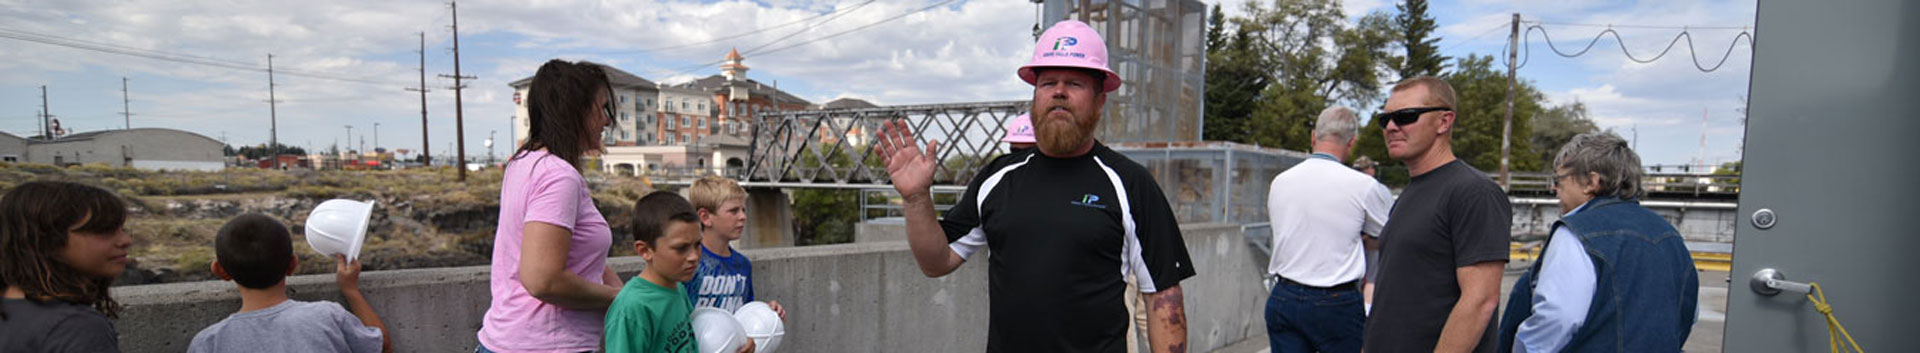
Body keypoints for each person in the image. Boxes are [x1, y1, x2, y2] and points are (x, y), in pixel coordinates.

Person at [878, 19, 1196, 353]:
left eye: (1074, 82)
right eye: (1047, 83)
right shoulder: (997, 178)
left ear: (1100, 101)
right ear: (1035, 96)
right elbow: (936, 261)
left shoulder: (1130, 183)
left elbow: (1164, 297)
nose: (1059, 91)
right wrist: (916, 199)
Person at [1497, 132, 1698, 352]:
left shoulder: (1576, 232)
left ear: (1591, 182)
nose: (1554, 189)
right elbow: (1688, 310)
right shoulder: (1669, 234)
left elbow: (1558, 316)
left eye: (1559, 180)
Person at [478, 59, 624, 353]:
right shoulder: (559, 176)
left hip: (507, 340)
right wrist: (619, 299)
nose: (607, 120)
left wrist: (623, 291)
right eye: (602, 108)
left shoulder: (525, 162)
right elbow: (542, 280)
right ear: (578, 111)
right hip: (546, 345)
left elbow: (575, 254)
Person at [1363, 76, 1511, 353]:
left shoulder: (1474, 192)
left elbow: (1480, 301)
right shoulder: (1411, 192)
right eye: (1385, 120)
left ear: (1444, 121)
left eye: (1406, 116)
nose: (1392, 127)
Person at [1262, 106, 1393, 353]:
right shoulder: (1364, 186)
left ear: (1314, 136)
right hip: (1335, 301)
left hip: (1283, 294)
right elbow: (1386, 236)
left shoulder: (1280, 181)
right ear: (1351, 143)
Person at [188, 213, 391, 353]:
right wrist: (351, 290)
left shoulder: (208, 343)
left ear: (219, 270)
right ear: (292, 264)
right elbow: (381, 347)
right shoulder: (327, 317)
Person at [605, 191, 750, 353]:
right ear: (645, 250)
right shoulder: (632, 309)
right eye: (681, 248)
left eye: (697, 245)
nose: (694, 257)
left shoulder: (677, 288)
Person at [0, 181, 132, 352]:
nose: (126, 241)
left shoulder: (11, 307)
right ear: (46, 240)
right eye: (104, 230)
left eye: (123, 229)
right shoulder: (74, 327)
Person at [683, 175, 785, 319]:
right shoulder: (689, 262)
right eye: (734, 211)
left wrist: (766, 313)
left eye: (743, 210)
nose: (743, 216)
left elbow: (746, 315)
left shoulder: (742, 264)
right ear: (705, 217)